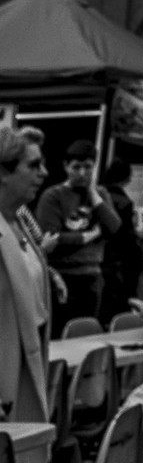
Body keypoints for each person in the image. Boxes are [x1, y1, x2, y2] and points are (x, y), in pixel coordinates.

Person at [0, 125, 53, 437]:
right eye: (33, 165)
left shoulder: (19, 219)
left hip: (27, 370)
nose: (44, 173)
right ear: (3, 172)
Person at [35, 137, 121, 324]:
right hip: (62, 274)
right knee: (60, 330)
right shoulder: (53, 195)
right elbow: (53, 238)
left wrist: (94, 196)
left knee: (86, 329)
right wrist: (93, 234)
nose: (82, 173)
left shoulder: (101, 194)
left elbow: (114, 227)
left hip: (91, 274)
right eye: (76, 167)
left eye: (88, 167)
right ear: (66, 167)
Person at [97, 153, 143, 320]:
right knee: (122, 301)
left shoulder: (97, 194)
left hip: (101, 253)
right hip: (121, 258)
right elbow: (126, 234)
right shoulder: (124, 202)